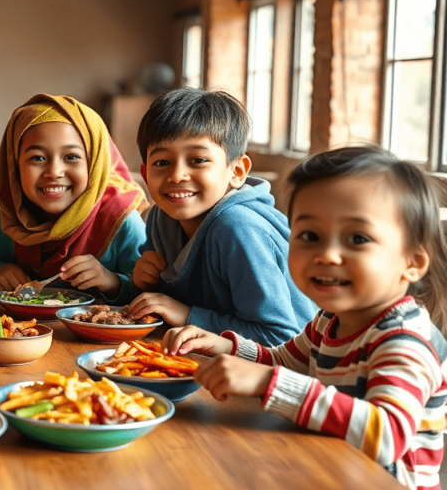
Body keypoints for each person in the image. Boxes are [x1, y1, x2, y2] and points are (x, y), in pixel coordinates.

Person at [163, 145, 447, 490]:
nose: (326, 255)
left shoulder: (403, 340)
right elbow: (284, 361)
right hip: (328, 475)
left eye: (357, 238)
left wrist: (270, 383)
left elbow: (386, 435)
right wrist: (225, 345)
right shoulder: (329, 320)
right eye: (310, 236)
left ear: (413, 261)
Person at [126, 88, 314, 345]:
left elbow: (280, 338)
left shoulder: (238, 227)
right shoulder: (162, 217)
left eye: (198, 159)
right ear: (145, 174)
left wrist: (188, 315)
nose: (177, 175)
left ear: (237, 171)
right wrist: (144, 284)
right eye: (162, 163)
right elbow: (164, 305)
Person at [0, 94, 146, 303]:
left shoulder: (121, 218)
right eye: (37, 158)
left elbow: (149, 291)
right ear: (15, 167)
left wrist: (110, 281)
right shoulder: (15, 213)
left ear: (95, 165)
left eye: (71, 157)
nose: (54, 172)